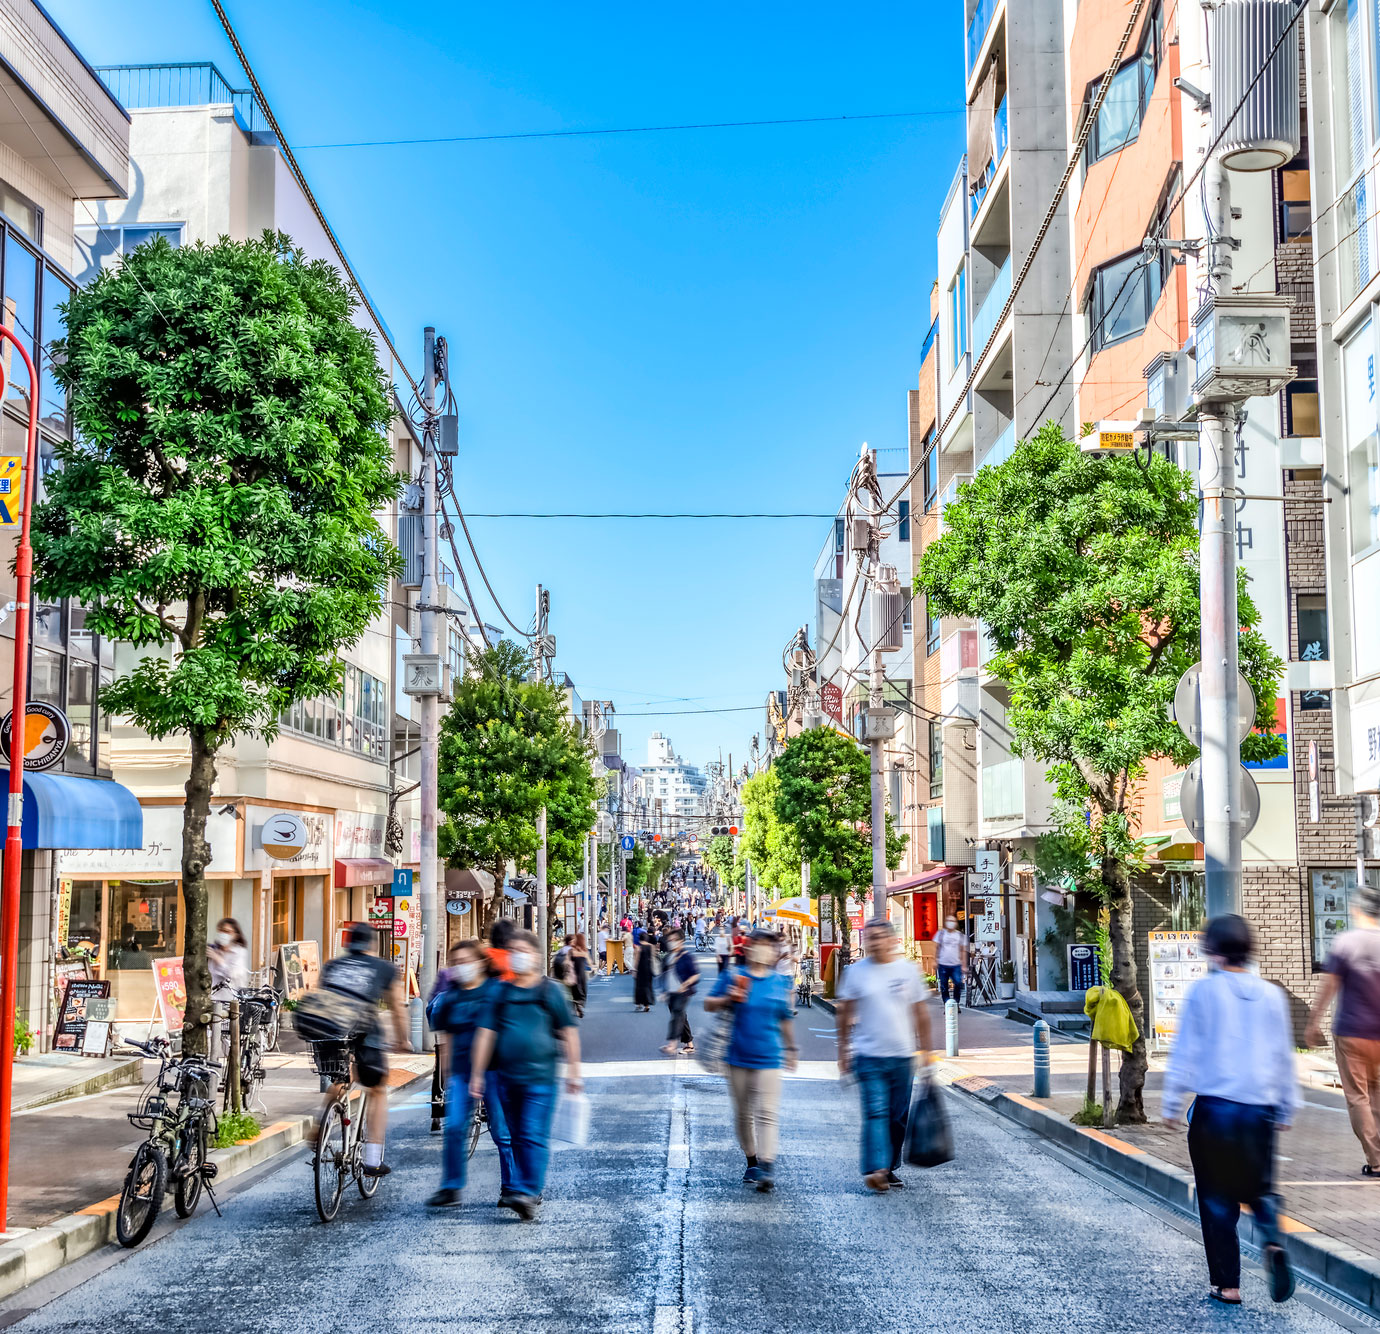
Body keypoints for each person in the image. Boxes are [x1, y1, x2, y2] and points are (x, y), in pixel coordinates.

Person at [1162, 914, 1297, 1306]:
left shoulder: (1204, 992)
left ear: (1212, 950)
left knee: (1216, 1198)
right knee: (1260, 1188)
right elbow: (1283, 1057)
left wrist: (1171, 1103)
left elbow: (1184, 1050)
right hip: (1260, 1111)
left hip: (1215, 1111)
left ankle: (1228, 1285)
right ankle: (1272, 1241)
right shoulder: (1271, 994)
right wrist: (1287, 1106)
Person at [469, 930, 582, 1221]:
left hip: (541, 1078)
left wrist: (574, 1072)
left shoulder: (550, 991)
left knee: (532, 1133)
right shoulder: (500, 992)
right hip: (507, 1078)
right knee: (516, 1135)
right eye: (512, 950)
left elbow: (568, 1033)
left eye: (522, 950)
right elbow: (485, 1033)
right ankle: (523, 1188)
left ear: (535, 955)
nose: (516, 955)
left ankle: (528, 1191)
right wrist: (478, 1073)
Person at [837, 919, 932, 1193]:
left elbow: (921, 1014)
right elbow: (844, 1012)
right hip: (868, 1056)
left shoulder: (907, 971)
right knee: (876, 1112)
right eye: (869, 937)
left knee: (898, 1116)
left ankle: (888, 1166)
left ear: (892, 940)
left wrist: (926, 1051)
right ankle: (875, 1168)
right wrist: (843, 1049)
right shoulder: (856, 972)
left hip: (903, 1057)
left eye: (879, 937)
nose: (874, 942)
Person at [314, 921, 412, 1177]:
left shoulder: (333, 966)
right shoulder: (382, 968)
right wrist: (402, 1040)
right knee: (377, 1089)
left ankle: (320, 1126)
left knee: (340, 1077)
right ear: (372, 944)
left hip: (330, 1032)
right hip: (366, 1033)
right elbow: (397, 1007)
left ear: (348, 943)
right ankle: (372, 1160)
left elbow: (322, 997)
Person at [425, 940, 516, 1208]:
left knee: (502, 1131)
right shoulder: (450, 997)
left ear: (480, 963)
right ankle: (451, 1186)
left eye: (467, 961)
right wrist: (447, 1076)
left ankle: (512, 1186)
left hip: (496, 1072)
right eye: (456, 963)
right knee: (453, 1128)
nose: (461, 967)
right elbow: (447, 1039)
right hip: (463, 1073)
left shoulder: (497, 992)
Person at [705, 929, 797, 1193]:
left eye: (768, 946)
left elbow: (785, 1017)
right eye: (758, 945)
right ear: (747, 949)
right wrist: (728, 998)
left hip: (770, 1056)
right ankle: (752, 1160)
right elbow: (708, 1004)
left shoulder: (779, 981)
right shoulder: (734, 976)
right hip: (737, 1056)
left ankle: (767, 1164)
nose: (763, 950)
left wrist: (791, 1048)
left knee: (767, 1113)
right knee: (744, 1113)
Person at [1307, 882, 1380, 1178]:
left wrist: (1313, 1023)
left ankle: (1376, 1161)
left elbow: (1329, 986)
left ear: (1356, 910)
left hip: (1351, 1032)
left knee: (1358, 1097)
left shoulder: (1346, 942)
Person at [660, 928, 700, 1056]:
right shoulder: (667, 957)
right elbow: (663, 975)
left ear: (681, 941)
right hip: (671, 992)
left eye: (675, 940)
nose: (672, 942)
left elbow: (696, 975)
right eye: (670, 940)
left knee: (677, 1015)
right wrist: (663, 991)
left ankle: (672, 1044)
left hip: (683, 992)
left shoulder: (686, 957)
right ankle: (689, 1044)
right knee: (681, 1017)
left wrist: (685, 984)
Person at [933, 916, 966, 1006]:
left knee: (958, 983)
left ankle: (956, 1003)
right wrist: (935, 960)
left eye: (952, 921)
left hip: (956, 964)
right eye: (948, 920)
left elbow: (962, 950)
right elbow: (936, 948)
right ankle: (947, 1005)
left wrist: (963, 965)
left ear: (956, 923)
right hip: (943, 964)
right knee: (944, 986)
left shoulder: (959, 935)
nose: (950, 922)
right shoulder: (940, 934)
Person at [634, 931, 657, 1012]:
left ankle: (639, 1003)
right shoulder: (651, 947)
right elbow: (653, 957)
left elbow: (637, 960)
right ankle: (647, 1005)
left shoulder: (638, 948)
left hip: (641, 969)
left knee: (639, 987)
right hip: (649, 968)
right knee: (648, 986)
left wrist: (635, 970)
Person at [570, 932, 591, 1018]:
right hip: (582, 974)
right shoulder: (585, 951)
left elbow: (568, 959)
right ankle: (580, 1005)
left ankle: (576, 1005)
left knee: (575, 991)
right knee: (583, 990)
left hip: (573, 974)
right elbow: (589, 963)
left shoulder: (572, 950)